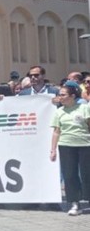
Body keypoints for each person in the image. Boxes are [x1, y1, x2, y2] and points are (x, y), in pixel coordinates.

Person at [50, 81, 90, 216]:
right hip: (66, 145)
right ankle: (75, 203)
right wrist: (53, 149)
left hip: (85, 145)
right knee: (69, 175)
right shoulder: (59, 112)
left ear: (72, 96)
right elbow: (56, 131)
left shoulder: (84, 108)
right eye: (59, 95)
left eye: (63, 95)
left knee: (87, 174)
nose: (59, 97)